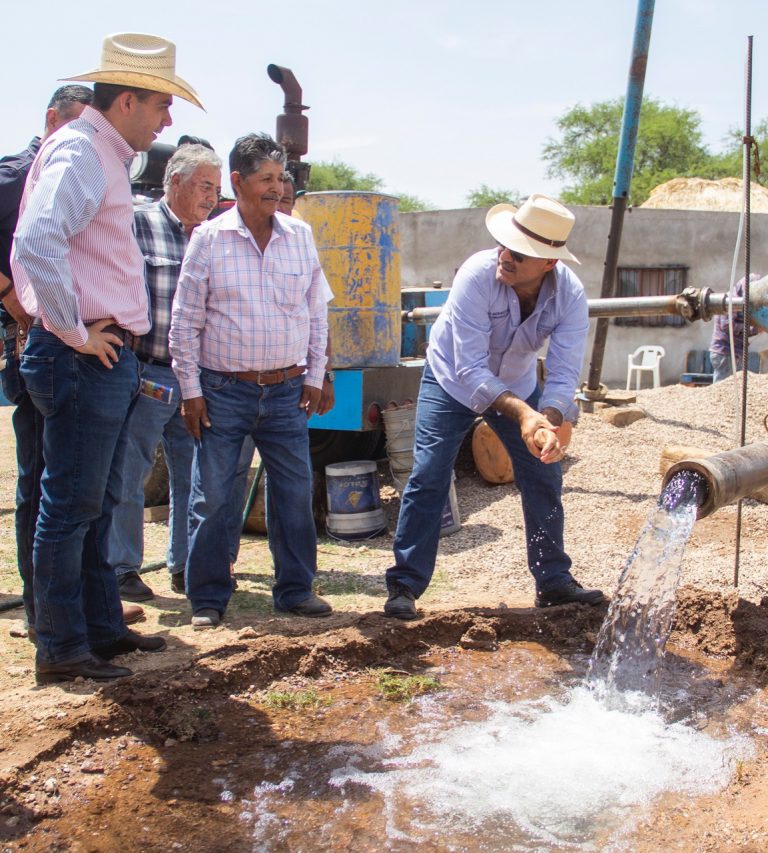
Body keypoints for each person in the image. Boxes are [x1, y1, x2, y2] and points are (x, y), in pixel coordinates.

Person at [11, 33, 203, 684]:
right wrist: (73, 331)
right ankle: (63, 649)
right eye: (160, 105)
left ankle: (99, 629)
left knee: (87, 503)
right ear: (127, 101)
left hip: (98, 354)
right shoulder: (83, 151)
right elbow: (36, 242)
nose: (167, 119)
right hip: (82, 357)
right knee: (69, 506)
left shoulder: (98, 153)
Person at [383, 194, 605, 620]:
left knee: (543, 472)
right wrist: (525, 415)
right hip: (450, 380)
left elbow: (562, 374)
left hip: (518, 386)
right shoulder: (477, 274)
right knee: (429, 474)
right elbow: (468, 367)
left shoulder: (570, 298)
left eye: (519, 254)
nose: (505, 256)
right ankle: (404, 586)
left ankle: (553, 581)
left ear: (548, 264)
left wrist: (549, 422)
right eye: (504, 244)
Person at [169, 132, 331, 628]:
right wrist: (192, 393)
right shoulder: (209, 239)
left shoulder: (298, 236)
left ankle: (295, 590)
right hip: (223, 392)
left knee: (293, 493)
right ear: (237, 182)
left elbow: (315, 312)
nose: (276, 188)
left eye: (281, 179)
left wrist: (315, 374)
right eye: (265, 179)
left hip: (286, 392)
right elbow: (184, 322)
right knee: (214, 497)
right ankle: (209, 599)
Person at [107, 144, 222, 602]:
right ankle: (122, 569)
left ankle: (185, 566)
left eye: (217, 188)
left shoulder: (213, 237)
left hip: (198, 380)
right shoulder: (138, 224)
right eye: (204, 186)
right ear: (173, 182)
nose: (212, 196)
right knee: (130, 470)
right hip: (148, 371)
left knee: (194, 475)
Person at [709, 273, 762, 382]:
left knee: (732, 389)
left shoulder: (741, 302)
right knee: (722, 390)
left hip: (733, 352)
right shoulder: (730, 301)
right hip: (725, 352)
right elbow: (727, 325)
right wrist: (755, 329)